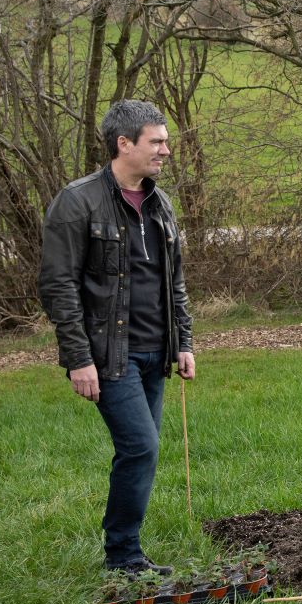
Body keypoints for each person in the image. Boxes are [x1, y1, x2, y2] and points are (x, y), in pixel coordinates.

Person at [39, 100, 195, 575]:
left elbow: (175, 281)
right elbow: (57, 285)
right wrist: (78, 358)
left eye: (166, 141)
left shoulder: (158, 201)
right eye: (157, 141)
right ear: (123, 143)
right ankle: (123, 556)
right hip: (111, 355)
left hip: (155, 352)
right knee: (141, 447)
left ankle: (128, 552)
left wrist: (183, 341)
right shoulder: (78, 201)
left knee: (141, 451)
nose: (166, 150)